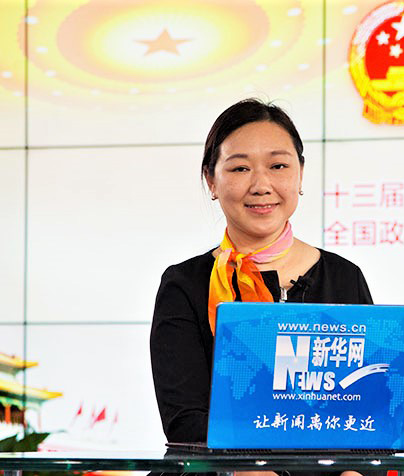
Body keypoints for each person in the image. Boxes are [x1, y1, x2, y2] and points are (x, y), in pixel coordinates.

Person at [150, 98, 374, 447]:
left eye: (278, 166)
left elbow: (371, 411)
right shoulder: (185, 285)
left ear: (300, 174)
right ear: (211, 180)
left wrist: (354, 471)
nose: (261, 185)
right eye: (240, 169)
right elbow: (185, 421)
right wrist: (253, 469)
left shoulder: (344, 277)